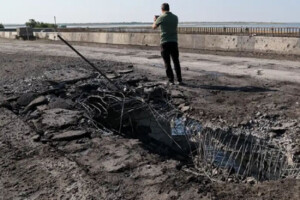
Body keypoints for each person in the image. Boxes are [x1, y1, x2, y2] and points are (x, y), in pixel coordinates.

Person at [152, 3, 183, 85]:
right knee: (176, 61)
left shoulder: (161, 17)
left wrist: (155, 20)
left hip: (165, 42)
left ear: (162, 9)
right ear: (169, 9)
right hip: (174, 42)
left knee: (167, 62)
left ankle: (171, 80)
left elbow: (154, 27)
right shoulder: (175, 17)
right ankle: (179, 80)